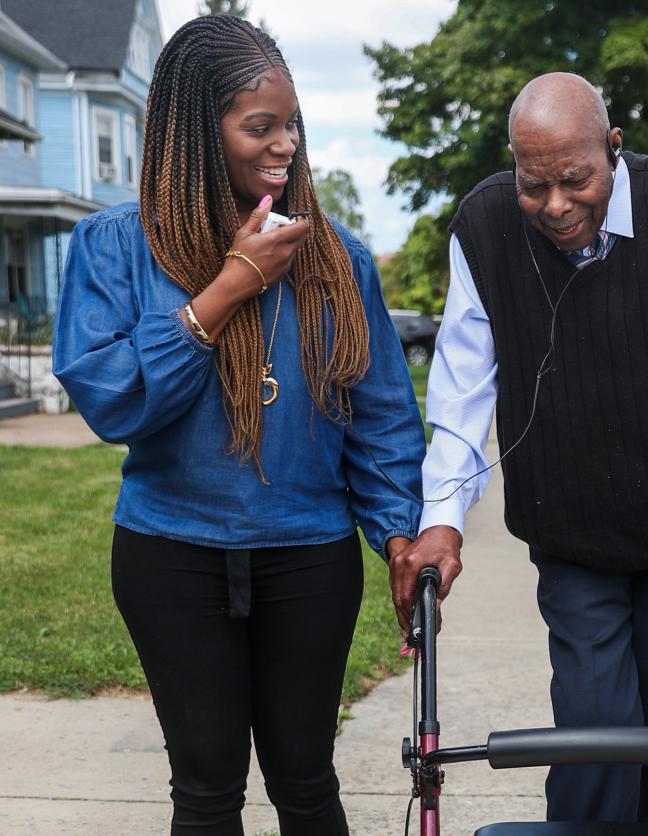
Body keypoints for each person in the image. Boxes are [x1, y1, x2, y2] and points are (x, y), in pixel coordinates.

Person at [388, 72, 648, 825]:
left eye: (575, 180)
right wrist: (440, 521)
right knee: (593, 732)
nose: (554, 206)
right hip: (571, 532)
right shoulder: (481, 226)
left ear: (614, 149)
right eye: (532, 183)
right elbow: (461, 394)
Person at [53, 15, 424, 836]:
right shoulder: (115, 248)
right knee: (208, 790)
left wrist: (401, 535)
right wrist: (229, 287)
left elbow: (382, 418)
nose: (285, 143)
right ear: (196, 131)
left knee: (306, 780)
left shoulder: (338, 261)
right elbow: (113, 402)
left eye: (292, 123)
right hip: (170, 554)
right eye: (260, 126)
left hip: (308, 555)